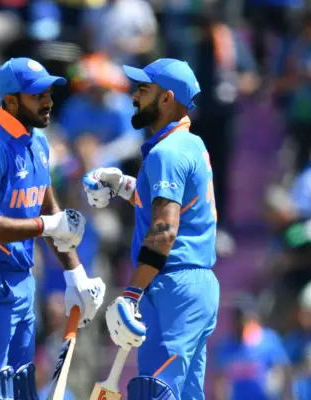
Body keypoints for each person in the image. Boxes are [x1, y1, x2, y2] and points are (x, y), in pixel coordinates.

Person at [0, 57, 106, 399]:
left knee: (20, 389)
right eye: (37, 95)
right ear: (11, 100)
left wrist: (75, 274)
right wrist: (45, 225)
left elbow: (51, 211)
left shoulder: (39, 144)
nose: (47, 101)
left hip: (20, 279)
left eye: (48, 93)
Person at [83, 58, 220, 399]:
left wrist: (132, 294)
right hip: (195, 286)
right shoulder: (191, 144)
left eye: (144, 89)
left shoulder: (167, 153)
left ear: (166, 98)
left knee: (154, 392)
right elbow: (172, 206)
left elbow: (164, 228)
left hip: (172, 284)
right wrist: (124, 185)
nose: (134, 95)